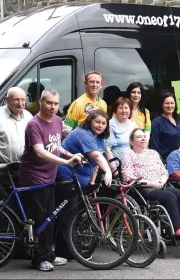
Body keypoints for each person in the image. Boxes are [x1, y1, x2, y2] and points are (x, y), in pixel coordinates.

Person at [18, 88, 83, 271]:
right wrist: (66, 162)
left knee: (50, 218)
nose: (53, 107)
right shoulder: (34, 124)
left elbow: (56, 145)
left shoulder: (57, 121)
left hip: (49, 177)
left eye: (55, 103)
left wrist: (71, 154)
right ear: (41, 102)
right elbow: (40, 151)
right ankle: (40, 259)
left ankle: (48, 254)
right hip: (34, 177)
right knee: (41, 219)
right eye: (49, 103)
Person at [122, 128, 180, 241]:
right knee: (169, 197)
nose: (142, 138)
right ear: (131, 141)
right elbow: (128, 177)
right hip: (143, 188)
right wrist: (151, 183)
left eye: (143, 136)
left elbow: (164, 171)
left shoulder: (153, 153)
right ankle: (178, 231)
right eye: (138, 137)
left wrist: (162, 180)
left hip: (161, 184)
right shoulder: (128, 156)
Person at [55, 109, 113, 260]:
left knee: (73, 214)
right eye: (97, 122)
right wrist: (108, 171)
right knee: (67, 214)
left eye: (103, 123)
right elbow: (96, 156)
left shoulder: (98, 138)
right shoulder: (83, 133)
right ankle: (64, 251)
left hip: (80, 180)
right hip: (66, 176)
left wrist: (92, 181)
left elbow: (95, 163)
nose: (100, 125)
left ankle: (71, 249)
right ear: (90, 121)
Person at [0, 87, 33, 200]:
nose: (20, 103)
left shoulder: (28, 116)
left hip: (24, 169)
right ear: (6, 100)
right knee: (3, 206)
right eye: (16, 100)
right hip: (2, 170)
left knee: (24, 204)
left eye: (23, 100)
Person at [63, 71, 107, 136]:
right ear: (85, 83)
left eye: (97, 82)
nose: (94, 85)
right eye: (91, 82)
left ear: (101, 85)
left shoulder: (103, 104)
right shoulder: (78, 103)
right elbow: (66, 129)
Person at [149, 90, 180, 160]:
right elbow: (154, 145)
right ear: (162, 105)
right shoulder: (157, 122)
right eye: (167, 103)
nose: (170, 106)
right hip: (166, 161)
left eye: (172, 103)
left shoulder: (177, 119)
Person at [105, 97, 138, 164]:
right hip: (117, 164)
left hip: (132, 163)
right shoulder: (111, 124)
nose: (124, 111)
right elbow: (107, 149)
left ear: (130, 110)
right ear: (115, 110)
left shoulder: (133, 125)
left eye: (126, 108)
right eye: (120, 108)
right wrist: (114, 168)